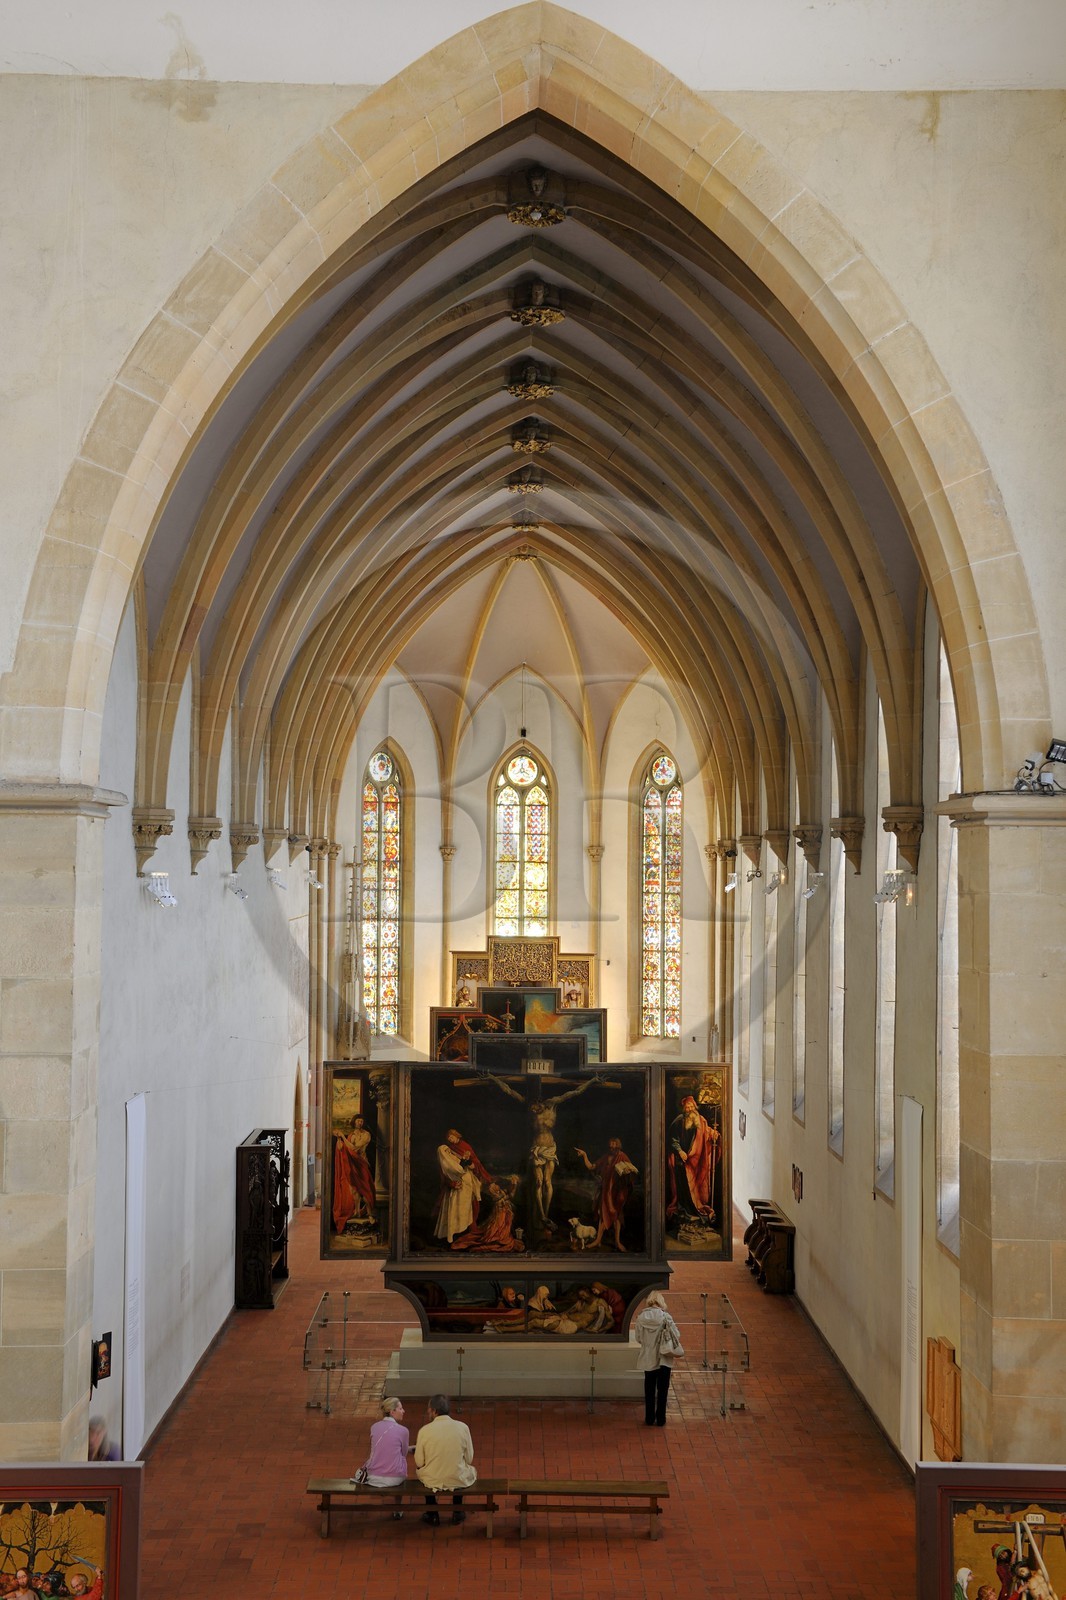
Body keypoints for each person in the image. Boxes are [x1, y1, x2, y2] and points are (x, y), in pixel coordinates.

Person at [413, 1394, 476, 1526]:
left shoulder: (424, 1431)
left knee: (424, 1472)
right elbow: (469, 1459)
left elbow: (419, 1462)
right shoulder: (463, 1427)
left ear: (434, 1411)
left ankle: (432, 1514)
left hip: (432, 1479)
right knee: (463, 1469)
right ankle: (457, 1511)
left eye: (429, 1409)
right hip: (457, 1477)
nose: (428, 1411)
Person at [573, 1137, 639, 1249]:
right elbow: (591, 1167)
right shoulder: (606, 1157)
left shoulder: (623, 1156)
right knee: (603, 1214)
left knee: (617, 1215)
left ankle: (617, 1242)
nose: (612, 1147)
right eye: (610, 1145)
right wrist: (584, 1155)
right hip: (606, 1191)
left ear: (618, 1146)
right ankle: (598, 1240)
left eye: (614, 1145)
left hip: (617, 1192)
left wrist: (627, 1172)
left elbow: (631, 1173)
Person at [666, 1094, 720, 1228]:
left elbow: (707, 1132)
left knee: (695, 1187)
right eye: (687, 1107)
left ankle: (695, 1210)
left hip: (696, 1162)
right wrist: (680, 1151)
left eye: (691, 1106)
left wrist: (713, 1134)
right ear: (684, 1109)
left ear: (695, 1107)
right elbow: (673, 1139)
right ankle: (686, 1211)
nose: (689, 1109)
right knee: (684, 1188)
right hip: (682, 1160)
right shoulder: (678, 1121)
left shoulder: (700, 1120)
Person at [633, 1290, 683, 1426]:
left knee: (649, 1389)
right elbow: (676, 1335)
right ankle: (661, 1419)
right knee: (663, 1389)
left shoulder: (641, 1318)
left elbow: (638, 1338)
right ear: (661, 1302)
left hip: (648, 1358)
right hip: (663, 1358)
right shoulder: (666, 1317)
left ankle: (649, 1418)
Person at [434, 1129, 491, 1245]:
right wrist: (452, 1183)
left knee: (473, 1204)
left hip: (469, 1182)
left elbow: (473, 1163)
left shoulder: (464, 1146)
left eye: (451, 1137)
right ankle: (458, 1233)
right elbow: (447, 1172)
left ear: (456, 1135)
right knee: (457, 1209)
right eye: (448, 1138)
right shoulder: (447, 1153)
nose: (450, 1140)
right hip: (459, 1186)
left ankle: (471, 1228)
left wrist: (468, 1162)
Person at [359, 1396, 412, 1519]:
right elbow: (403, 1453)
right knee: (401, 1460)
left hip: (373, 1477)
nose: (403, 1411)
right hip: (395, 1479)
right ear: (392, 1412)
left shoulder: (374, 1427)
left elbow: (383, 1447)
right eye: (400, 1408)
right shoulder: (403, 1431)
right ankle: (397, 1508)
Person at [331, 1115, 376, 1235]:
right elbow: (343, 1149)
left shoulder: (366, 1135)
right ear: (354, 1122)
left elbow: (354, 1148)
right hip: (353, 1165)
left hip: (362, 1164)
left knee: (366, 1190)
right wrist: (339, 1139)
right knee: (354, 1190)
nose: (360, 1123)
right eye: (358, 1121)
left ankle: (370, 1214)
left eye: (362, 1121)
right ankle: (356, 1212)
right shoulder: (351, 1135)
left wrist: (342, 1137)